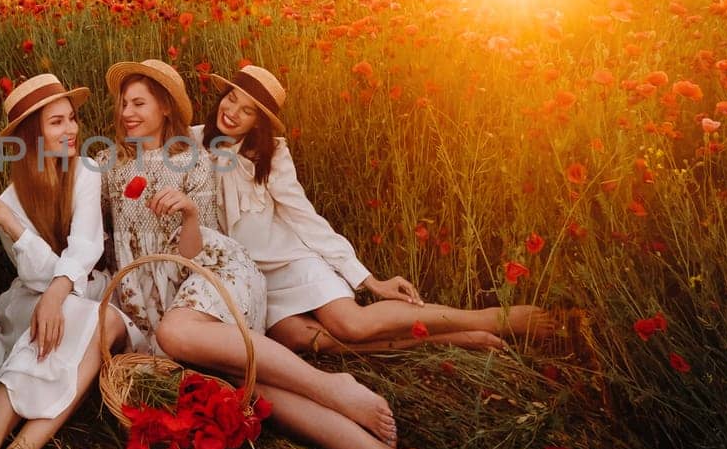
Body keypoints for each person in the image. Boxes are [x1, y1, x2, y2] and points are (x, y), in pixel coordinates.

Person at [92, 60, 400, 449]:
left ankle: (331, 385)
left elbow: (196, 252)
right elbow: (80, 212)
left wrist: (188, 212)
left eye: (138, 104)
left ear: (165, 107)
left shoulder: (194, 160)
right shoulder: (108, 164)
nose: (127, 114)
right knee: (253, 385)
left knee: (179, 334)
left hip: (208, 274)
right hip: (151, 298)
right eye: (123, 105)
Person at [197, 63, 555, 353]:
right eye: (231, 99)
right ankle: (450, 338)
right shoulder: (192, 140)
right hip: (246, 276)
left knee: (351, 325)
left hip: (290, 263)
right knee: (306, 340)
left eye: (247, 110)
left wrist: (368, 280)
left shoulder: (271, 156)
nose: (232, 113)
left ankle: (488, 319)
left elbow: (306, 219)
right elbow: (149, 147)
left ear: (258, 121)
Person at [0, 73, 140, 449]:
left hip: (81, 292)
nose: (72, 130)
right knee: (68, 321)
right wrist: (12, 224)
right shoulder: (7, 200)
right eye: (56, 122)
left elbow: (85, 248)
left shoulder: (85, 172)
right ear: (31, 135)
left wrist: (58, 294)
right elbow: (36, 276)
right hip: (30, 303)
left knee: (99, 320)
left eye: (72, 118)